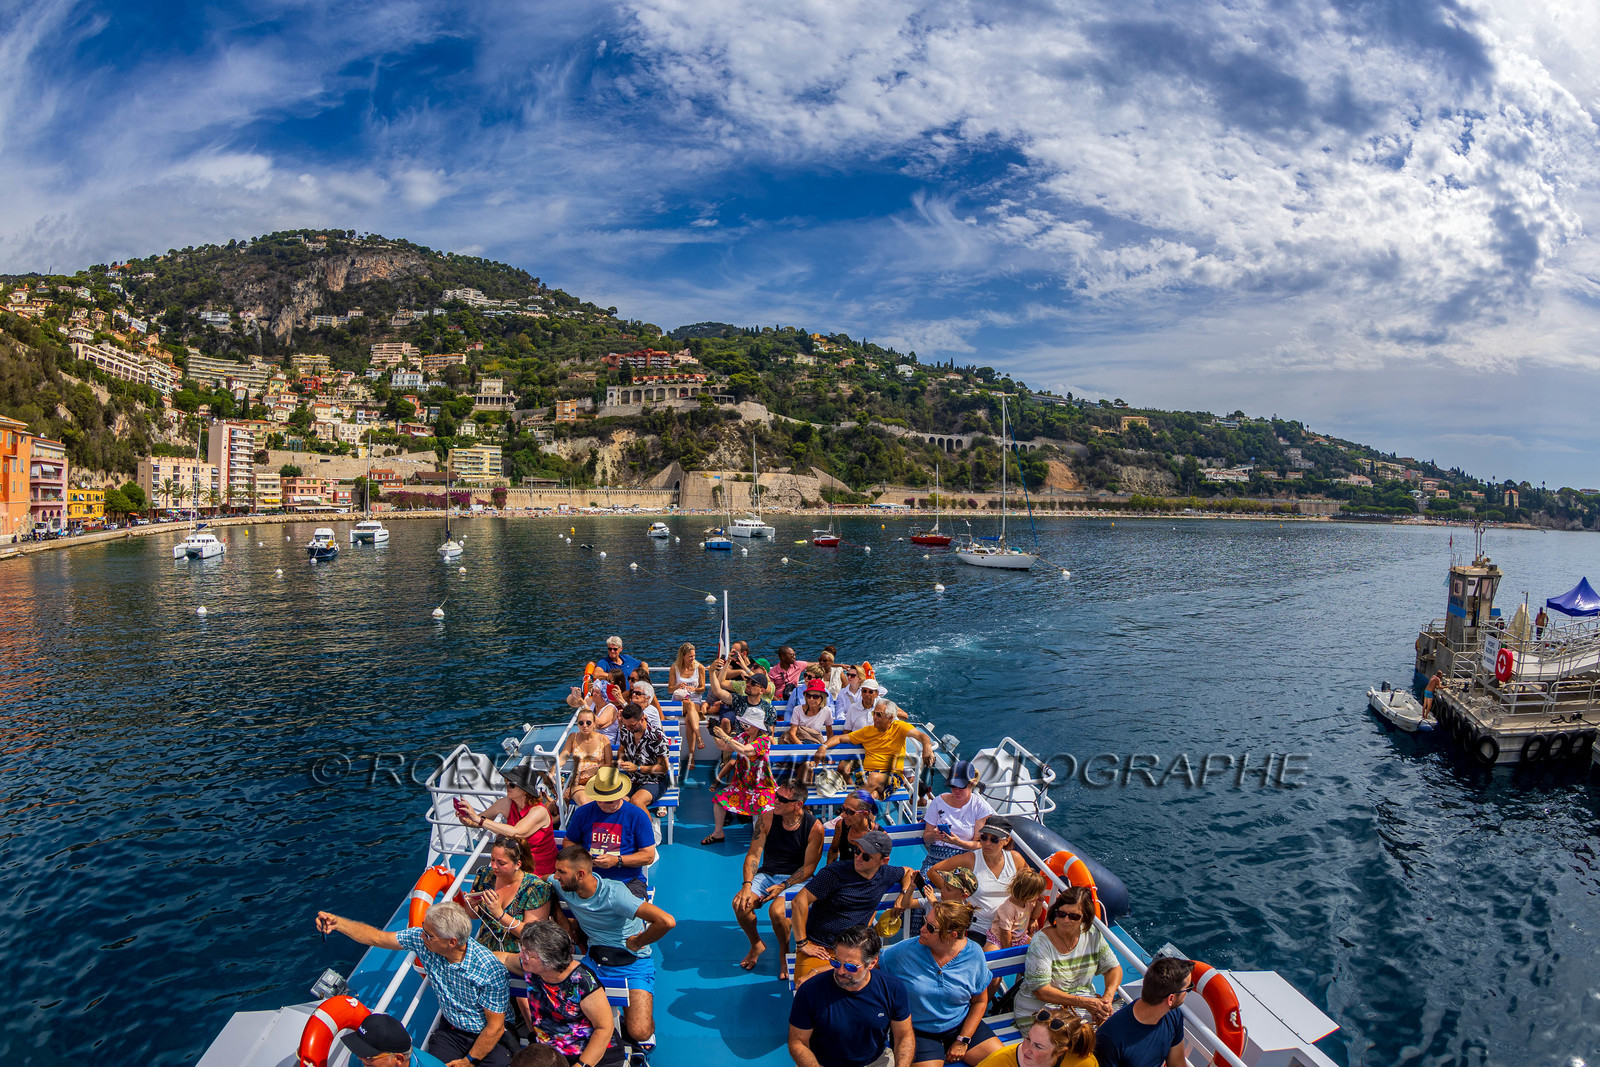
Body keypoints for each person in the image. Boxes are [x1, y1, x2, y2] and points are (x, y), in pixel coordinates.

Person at [316, 902, 515, 1067]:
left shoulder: (489, 970)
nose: (421, 937)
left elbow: (495, 1027)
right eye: (423, 930)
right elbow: (378, 938)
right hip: (451, 1030)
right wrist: (338, 923)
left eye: (429, 935)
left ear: (452, 942)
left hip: (488, 1034)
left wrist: (468, 1061)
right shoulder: (423, 941)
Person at [548, 843, 677, 1046]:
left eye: (561, 872)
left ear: (580, 874)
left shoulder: (616, 895)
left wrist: (637, 941)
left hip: (633, 962)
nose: (555, 876)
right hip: (595, 960)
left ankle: (635, 1018)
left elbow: (666, 921)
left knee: (640, 1032)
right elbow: (540, 884)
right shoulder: (563, 885)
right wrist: (559, 914)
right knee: (568, 1017)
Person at [879, 900, 1003, 1067]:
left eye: (930, 928)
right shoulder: (904, 951)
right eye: (925, 922)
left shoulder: (973, 953)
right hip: (918, 1032)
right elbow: (871, 964)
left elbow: (980, 1001)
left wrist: (963, 1040)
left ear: (952, 935)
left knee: (1003, 1062)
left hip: (960, 1024)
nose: (922, 929)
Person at [791, 829, 915, 986]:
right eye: (857, 851)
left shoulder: (885, 874)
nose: (858, 858)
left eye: (866, 856)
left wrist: (903, 894)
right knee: (806, 987)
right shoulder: (834, 873)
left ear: (884, 861)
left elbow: (909, 872)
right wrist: (802, 943)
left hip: (855, 950)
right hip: (822, 948)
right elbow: (799, 901)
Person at [495, 920, 623, 1067]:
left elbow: (604, 1028)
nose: (521, 956)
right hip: (550, 1055)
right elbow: (503, 958)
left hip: (589, 1057)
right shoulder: (532, 967)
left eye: (528, 954)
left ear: (549, 960)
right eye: (522, 950)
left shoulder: (582, 982)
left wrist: (581, 1065)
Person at [732, 780, 824, 976]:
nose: (776, 801)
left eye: (782, 799)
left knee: (777, 912)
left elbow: (809, 868)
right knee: (740, 904)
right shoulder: (766, 819)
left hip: (797, 879)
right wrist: (747, 886)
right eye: (776, 795)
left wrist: (783, 886)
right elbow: (754, 855)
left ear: (798, 805)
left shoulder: (814, 828)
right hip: (768, 874)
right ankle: (757, 944)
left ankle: (784, 951)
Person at [788, 924, 914, 1067]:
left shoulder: (893, 988)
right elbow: (798, 1042)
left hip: (876, 1062)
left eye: (850, 967)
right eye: (835, 962)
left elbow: (904, 1036)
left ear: (872, 963)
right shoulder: (810, 991)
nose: (840, 971)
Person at [1013, 887, 1121, 1027]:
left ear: (1085, 918)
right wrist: (1086, 1002)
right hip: (1039, 1010)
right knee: (1073, 1043)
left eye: (1074, 916)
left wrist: (1107, 998)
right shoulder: (1041, 942)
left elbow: (1113, 968)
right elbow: (1041, 991)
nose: (1065, 920)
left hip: (1079, 1007)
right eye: (1061, 914)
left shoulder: (1092, 935)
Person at [928, 816, 1026, 944]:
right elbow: (933, 871)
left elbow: (1031, 885)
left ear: (1006, 841)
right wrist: (955, 895)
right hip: (978, 929)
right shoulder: (970, 859)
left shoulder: (1015, 859)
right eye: (984, 837)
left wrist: (1031, 917)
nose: (987, 843)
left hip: (1009, 928)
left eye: (994, 839)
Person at [562, 769, 657, 895]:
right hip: (588, 880)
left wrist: (617, 860)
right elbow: (568, 841)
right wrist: (583, 855)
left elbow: (648, 856)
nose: (602, 805)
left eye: (608, 801)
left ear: (619, 796)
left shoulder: (637, 816)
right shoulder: (582, 813)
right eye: (598, 799)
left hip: (627, 882)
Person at [816, 702, 936, 799]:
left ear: (890, 718)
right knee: (872, 794)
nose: (874, 717)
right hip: (868, 775)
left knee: (873, 779)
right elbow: (840, 738)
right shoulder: (867, 731)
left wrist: (927, 747)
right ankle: (867, 823)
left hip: (892, 775)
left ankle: (848, 810)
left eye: (879, 715)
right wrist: (823, 747)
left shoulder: (900, 728)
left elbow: (922, 736)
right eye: (874, 713)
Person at [456, 766, 559, 877]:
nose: (507, 785)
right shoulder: (507, 803)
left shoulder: (539, 811)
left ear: (525, 791)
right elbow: (477, 820)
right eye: (507, 781)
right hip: (516, 867)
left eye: (512, 784)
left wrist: (478, 819)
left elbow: (516, 832)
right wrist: (467, 819)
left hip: (540, 871)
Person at [1092, 956, 1191, 1067]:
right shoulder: (1109, 1039)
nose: (1188, 992)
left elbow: (1177, 1063)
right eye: (1188, 988)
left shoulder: (1174, 1015)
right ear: (1171, 999)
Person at [465, 836, 554, 954]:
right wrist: (471, 905)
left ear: (518, 864)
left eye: (501, 863)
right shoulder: (485, 876)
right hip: (485, 950)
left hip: (519, 955)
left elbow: (531, 933)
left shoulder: (536, 888)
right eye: (492, 860)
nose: (494, 866)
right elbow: (475, 915)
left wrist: (499, 914)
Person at [703, 706, 778, 844]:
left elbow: (744, 750)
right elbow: (723, 746)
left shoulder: (764, 740)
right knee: (719, 801)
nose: (744, 727)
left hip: (761, 787)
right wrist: (713, 734)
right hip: (742, 784)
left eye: (747, 724)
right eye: (743, 724)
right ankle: (718, 833)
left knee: (766, 810)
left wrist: (725, 736)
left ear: (756, 726)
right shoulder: (743, 737)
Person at [920, 761, 994, 872]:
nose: (956, 791)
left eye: (961, 787)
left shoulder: (980, 807)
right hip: (935, 857)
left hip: (964, 860)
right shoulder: (938, 802)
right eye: (953, 786)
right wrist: (934, 836)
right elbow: (926, 837)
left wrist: (958, 842)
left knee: (955, 887)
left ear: (971, 784)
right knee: (924, 885)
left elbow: (979, 844)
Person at [975, 1007, 1097, 1067]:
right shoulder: (998, 1062)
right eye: (1028, 1039)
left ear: (1060, 1052)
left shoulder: (1082, 1063)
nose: (1026, 1049)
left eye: (1038, 1046)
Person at [338, 1011, 450, 1067]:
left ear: (399, 1059)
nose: (360, 1058)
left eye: (369, 1057)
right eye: (359, 1050)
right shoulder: (361, 1059)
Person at [614, 703, 670, 810]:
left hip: (654, 780)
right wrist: (620, 759)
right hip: (632, 779)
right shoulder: (626, 731)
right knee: (616, 803)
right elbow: (622, 748)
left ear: (642, 719)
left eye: (632, 725)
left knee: (637, 801)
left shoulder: (657, 737)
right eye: (626, 725)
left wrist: (637, 768)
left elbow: (663, 768)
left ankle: (646, 826)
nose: (628, 728)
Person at [558, 709, 613, 806]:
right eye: (581, 723)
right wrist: (553, 769)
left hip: (598, 780)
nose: (585, 726)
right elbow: (563, 757)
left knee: (602, 803)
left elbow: (609, 764)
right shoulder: (573, 737)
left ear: (594, 723)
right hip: (579, 782)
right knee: (585, 803)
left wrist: (596, 769)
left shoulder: (603, 739)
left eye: (588, 722)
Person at [986, 869, 1051, 950]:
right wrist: (1009, 951)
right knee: (991, 953)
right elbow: (1005, 933)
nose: (1039, 895)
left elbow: (1034, 916)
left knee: (1038, 948)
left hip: (1020, 938)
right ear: (1027, 893)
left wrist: (1039, 904)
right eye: (1037, 893)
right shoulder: (1008, 908)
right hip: (999, 939)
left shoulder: (1028, 902)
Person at [707, 658, 776, 732]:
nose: (748, 684)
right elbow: (718, 690)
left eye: (753, 683)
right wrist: (712, 672)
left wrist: (744, 668)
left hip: (759, 741)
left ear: (762, 690)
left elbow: (769, 736)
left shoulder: (769, 708)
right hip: (741, 739)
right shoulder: (739, 700)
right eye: (748, 681)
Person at [669, 642, 707, 770]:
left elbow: (702, 688)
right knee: (690, 709)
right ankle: (699, 738)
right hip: (679, 701)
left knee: (689, 719)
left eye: (694, 656)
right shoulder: (674, 668)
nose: (693, 659)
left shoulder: (699, 668)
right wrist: (677, 686)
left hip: (694, 700)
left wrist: (694, 689)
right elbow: (670, 689)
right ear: (683, 656)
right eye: (690, 656)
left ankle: (692, 756)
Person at [825, 791, 880, 865]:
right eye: (843, 809)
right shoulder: (841, 825)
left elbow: (881, 866)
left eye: (849, 812)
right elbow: (833, 851)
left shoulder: (879, 835)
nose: (843, 815)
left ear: (864, 814)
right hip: (843, 872)